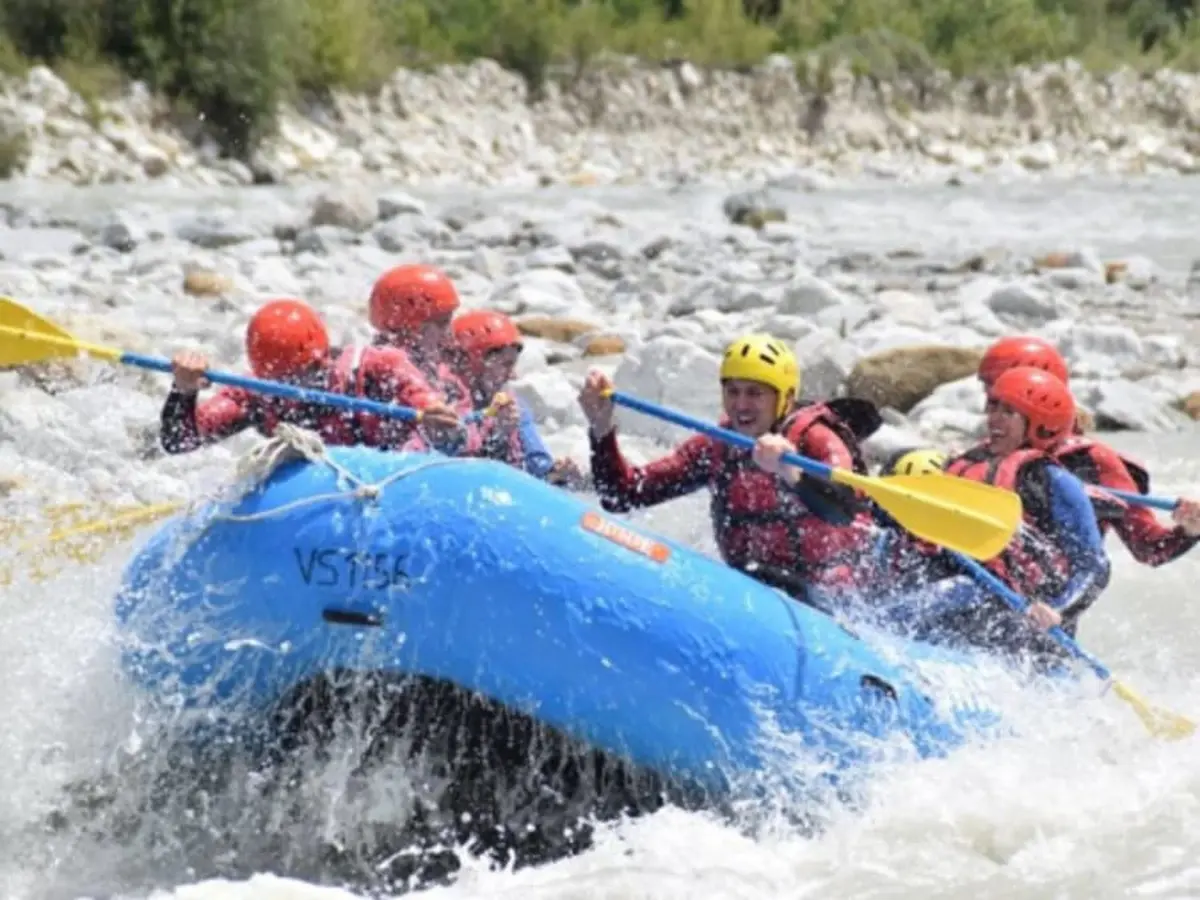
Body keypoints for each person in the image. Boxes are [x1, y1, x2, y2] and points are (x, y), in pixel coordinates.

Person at [577, 333, 876, 610]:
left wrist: (791, 471)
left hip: (828, 602)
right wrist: (601, 430)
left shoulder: (816, 437)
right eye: (732, 392)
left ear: (784, 397)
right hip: (749, 591)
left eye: (754, 393)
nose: (740, 405)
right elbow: (621, 495)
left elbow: (843, 509)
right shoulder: (717, 448)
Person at [978, 334, 1200, 567]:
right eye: (991, 399)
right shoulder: (987, 452)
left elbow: (1149, 548)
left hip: (1052, 588)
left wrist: (1189, 530)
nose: (990, 410)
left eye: (1001, 400)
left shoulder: (1093, 460)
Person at [931, 367, 1111, 652]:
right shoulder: (967, 464)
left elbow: (1094, 567)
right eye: (994, 407)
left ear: (1040, 425)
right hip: (969, 586)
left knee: (957, 592)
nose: (994, 418)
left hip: (1025, 619)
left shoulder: (1056, 482)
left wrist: (1057, 609)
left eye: (1009, 412)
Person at [162, 298, 460, 455]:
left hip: (387, 482)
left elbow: (432, 411)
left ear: (324, 358)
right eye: (282, 381)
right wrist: (183, 390)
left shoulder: (377, 366)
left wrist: (434, 417)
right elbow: (180, 442)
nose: (292, 389)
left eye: (300, 376)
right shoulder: (256, 392)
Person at [451, 309, 588, 487]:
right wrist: (498, 435)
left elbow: (538, 467)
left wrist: (557, 474)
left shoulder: (514, 407)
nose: (513, 375)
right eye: (505, 365)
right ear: (473, 364)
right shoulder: (443, 404)